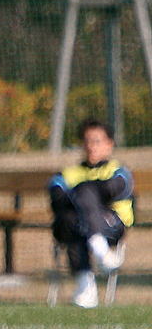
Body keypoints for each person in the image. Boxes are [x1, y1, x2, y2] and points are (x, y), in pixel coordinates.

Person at [48, 119, 134, 308]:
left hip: (111, 224)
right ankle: (94, 263)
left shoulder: (119, 171)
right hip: (75, 225)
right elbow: (56, 194)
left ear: (109, 144)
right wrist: (84, 195)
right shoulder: (68, 173)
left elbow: (113, 189)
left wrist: (82, 193)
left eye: (97, 141)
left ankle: (86, 284)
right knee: (70, 220)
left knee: (84, 197)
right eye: (87, 141)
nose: (91, 146)